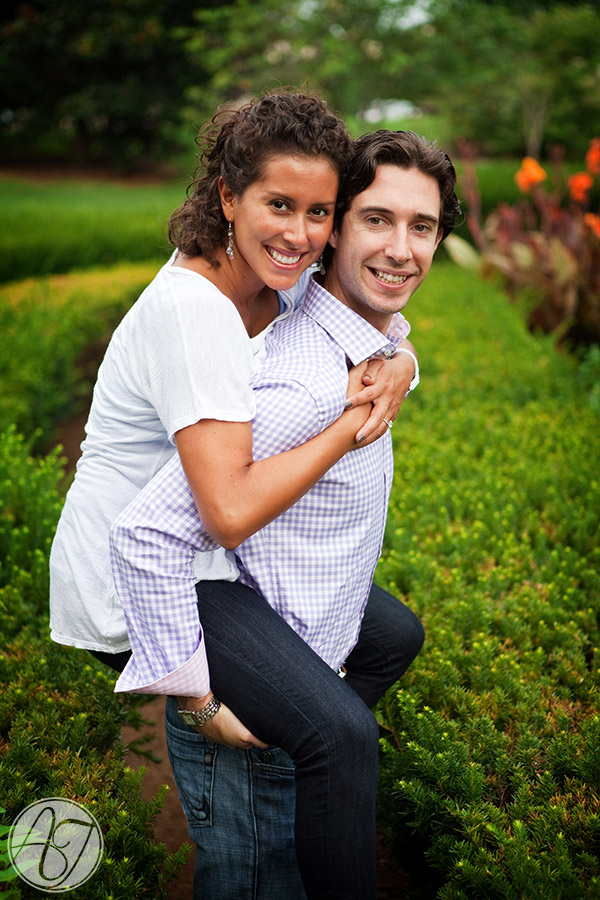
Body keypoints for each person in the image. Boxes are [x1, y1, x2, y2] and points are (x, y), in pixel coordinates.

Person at [110, 129, 461, 899]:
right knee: (299, 810)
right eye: (377, 221)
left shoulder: (356, 334)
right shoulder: (304, 386)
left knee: (395, 634)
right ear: (336, 231)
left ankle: (299, 747)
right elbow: (143, 535)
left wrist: (404, 363)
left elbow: (388, 337)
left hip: (287, 617)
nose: (403, 248)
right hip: (226, 648)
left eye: (423, 226)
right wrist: (200, 704)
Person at [48, 91, 417, 686]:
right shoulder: (195, 310)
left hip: (214, 554)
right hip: (142, 573)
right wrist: (351, 428)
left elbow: (368, 325)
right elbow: (229, 512)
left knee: (392, 637)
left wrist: (400, 359)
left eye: (319, 212)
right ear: (227, 196)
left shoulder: (281, 277)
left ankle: (279, 754)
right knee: (333, 733)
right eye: (279, 205)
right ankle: (239, 740)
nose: (299, 235)